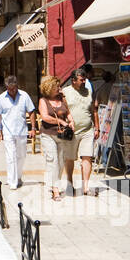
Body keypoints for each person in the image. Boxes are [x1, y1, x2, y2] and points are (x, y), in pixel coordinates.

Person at [0, 75, 35, 191]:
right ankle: (12, 181)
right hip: (8, 132)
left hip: (22, 131)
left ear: (17, 86)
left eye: (14, 88)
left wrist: (33, 128)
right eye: (10, 89)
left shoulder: (24, 96)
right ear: (6, 87)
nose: (12, 91)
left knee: (21, 156)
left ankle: (18, 177)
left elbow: (31, 111)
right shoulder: (1, 98)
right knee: (11, 156)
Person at [64, 68, 100, 196]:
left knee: (87, 157)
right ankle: (69, 183)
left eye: (85, 79)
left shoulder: (89, 92)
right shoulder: (65, 92)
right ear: (73, 81)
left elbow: (94, 110)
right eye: (81, 80)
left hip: (87, 130)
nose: (84, 82)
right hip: (71, 131)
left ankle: (86, 186)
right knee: (69, 158)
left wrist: (97, 127)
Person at [37, 75, 72, 201]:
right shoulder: (43, 101)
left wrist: (71, 121)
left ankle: (53, 183)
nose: (59, 88)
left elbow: (67, 112)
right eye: (56, 86)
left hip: (61, 135)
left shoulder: (62, 99)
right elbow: (45, 117)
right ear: (49, 88)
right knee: (53, 161)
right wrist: (61, 122)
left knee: (61, 161)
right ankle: (55, 190)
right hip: (48, 134)